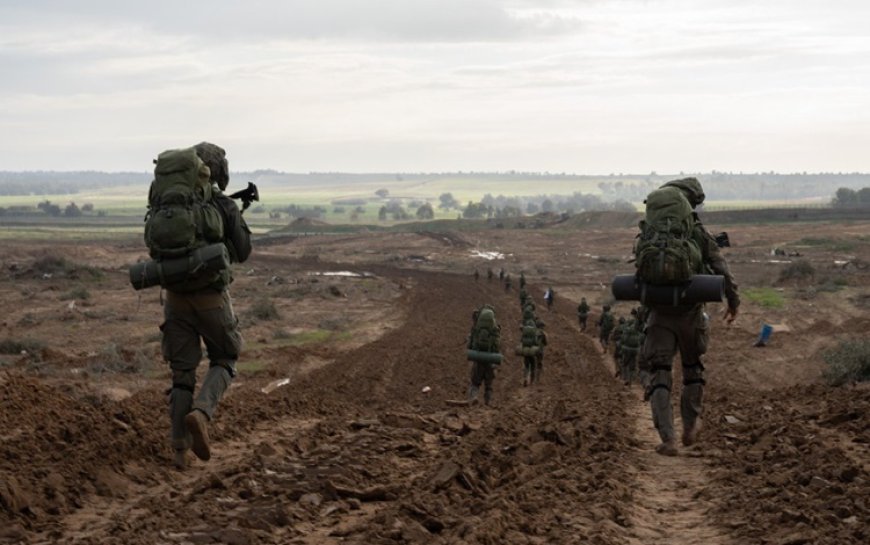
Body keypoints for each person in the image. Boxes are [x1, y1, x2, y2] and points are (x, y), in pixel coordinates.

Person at [164, 142, 252, 470]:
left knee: (182, 374)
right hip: (212, 299)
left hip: (174, 298)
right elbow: (242, 251)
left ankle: (178, 452)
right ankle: (201, 413)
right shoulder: (221, 203)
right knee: (226, 357)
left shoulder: (169, 201)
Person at [639, 177, 739, 456]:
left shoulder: (650, 232)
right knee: (693, 368)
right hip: (691, 312)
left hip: (659, 313)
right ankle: (690, 426)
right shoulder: (694, 230)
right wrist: (733, 300)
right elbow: (721, 266)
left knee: (660, 373)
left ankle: (667, 438)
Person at [467, 305, 501, 405]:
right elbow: (497, 345)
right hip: (490, 359)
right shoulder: (495, 329)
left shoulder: (477, 327)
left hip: (478, 357)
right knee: (489, 384)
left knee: (475, 382)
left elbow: (471, 344)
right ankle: (488, 402)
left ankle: (473, 397)